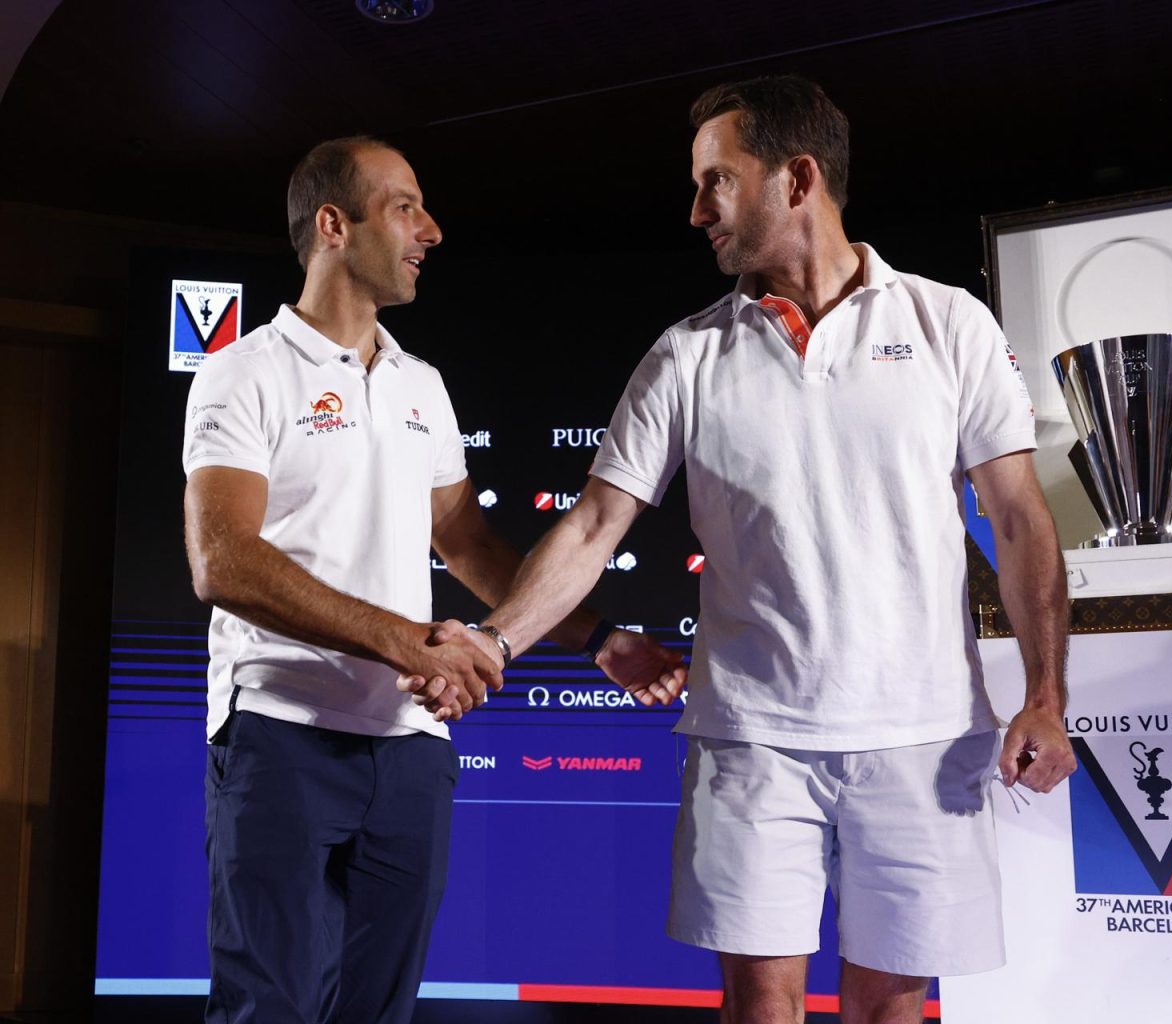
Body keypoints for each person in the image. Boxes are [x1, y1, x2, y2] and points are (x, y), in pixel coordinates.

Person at [407, 76, 1075, 1024]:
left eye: (716, 181)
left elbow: (1018, 518)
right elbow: (596, 524)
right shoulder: (684, 355)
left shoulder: (948, 321)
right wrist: (495, 641)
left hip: (926, 734)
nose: (695, 211)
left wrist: (1046, 695)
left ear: (797, 178)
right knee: (759, 1006)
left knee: (891, 1007)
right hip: (751, 740)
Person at [182, 135, 685, 1024]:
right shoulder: (243, 370)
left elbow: (465, 543)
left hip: (411, 749)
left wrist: (596, 638)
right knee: (273, 1011)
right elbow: (223, 560)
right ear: (334, 225)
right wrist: (408, 642)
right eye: (406, 206)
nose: (433, 229)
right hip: (280, 738)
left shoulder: (422, 383)